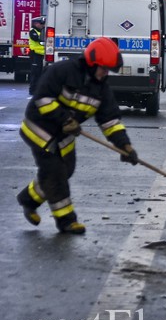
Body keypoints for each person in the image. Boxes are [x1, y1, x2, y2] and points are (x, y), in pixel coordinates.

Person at [17, 37, 139, 235]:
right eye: (103, 68)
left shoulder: (102, 90)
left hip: (64, 134)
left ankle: (28, 199)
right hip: (39, 128)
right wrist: (65, 119)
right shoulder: (62, 71)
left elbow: (110, 122)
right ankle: (66, 221)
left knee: (65, 170)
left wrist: (125, 146)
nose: (105, 73)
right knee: (55, 172)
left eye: (108, 70)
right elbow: (43, 99)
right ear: (91, 63)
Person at [27, 16, 45, 95]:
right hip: (35, 54)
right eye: (41, 24)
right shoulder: (33, 31)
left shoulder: (40, 31)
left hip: (40, 55)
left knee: (39, 73)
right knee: (35, 73)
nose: (43, 25)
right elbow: (36, 39)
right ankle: (32, 90)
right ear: (36, 23)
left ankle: (37, 89)